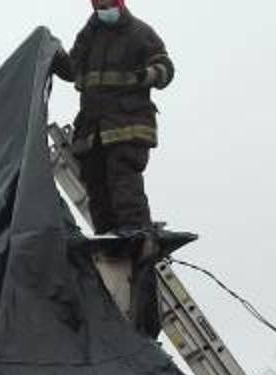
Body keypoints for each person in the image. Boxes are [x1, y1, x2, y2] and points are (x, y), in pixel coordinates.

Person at [53, 0, 174, 238]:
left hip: (128, 124)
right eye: (98, 6)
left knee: (123, 181)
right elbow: (72, 69)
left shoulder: (139, 32)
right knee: (96, 183)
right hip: (93, 129)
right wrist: (54, 56)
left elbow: (165, 68)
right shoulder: (89, 36)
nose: (103, 10)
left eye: (107, 4)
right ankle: (108, 236)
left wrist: (148, 75)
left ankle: (135, 231)